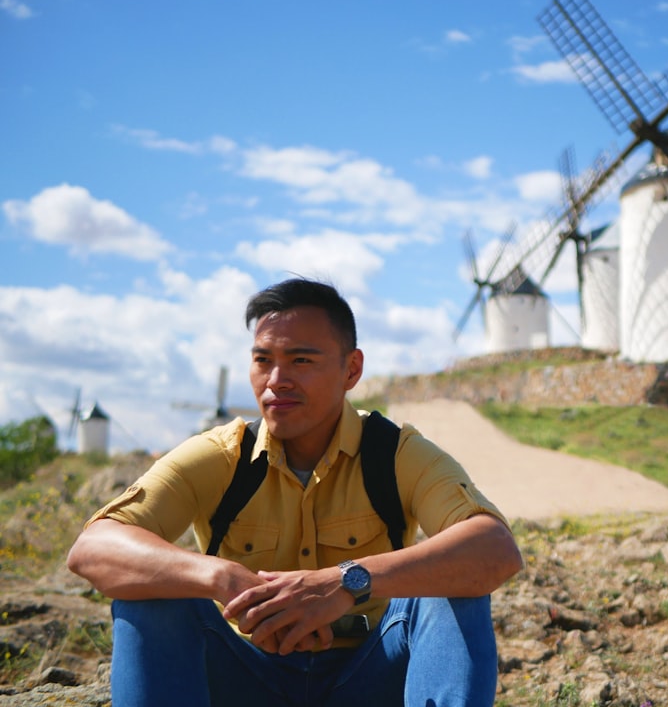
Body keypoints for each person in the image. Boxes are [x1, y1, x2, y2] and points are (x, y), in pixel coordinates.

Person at [67, 277, 523, 707]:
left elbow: (494, 550)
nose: (276, 380)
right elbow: (94, 548)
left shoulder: (395, 453)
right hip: (246, 675)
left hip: (371, 675)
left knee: (451, 584)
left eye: (301, 360)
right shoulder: (220, 456)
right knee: (156, 595)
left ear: (352, 369)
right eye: (263, 360)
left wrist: (346, 581)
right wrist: (221, 578)